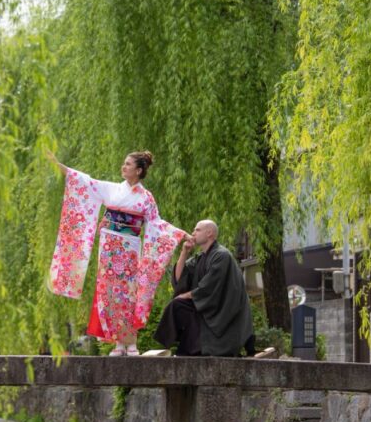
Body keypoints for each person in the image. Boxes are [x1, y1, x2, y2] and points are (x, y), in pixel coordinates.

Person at [45, 149, 185, 356]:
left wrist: (181, 234)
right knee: (110, 294)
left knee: (128, 293)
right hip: (109, 248)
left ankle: (132, 343)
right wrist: (58, 164)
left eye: (128, 164)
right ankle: (119, 343)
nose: (123, 167)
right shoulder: (112, 189)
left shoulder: (146, 198)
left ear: (138, 170)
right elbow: (85, 182)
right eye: (124, 163)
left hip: (129, 248)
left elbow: (156, 224)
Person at [153, 219, 255, 357]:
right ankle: (188, 346)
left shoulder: (221, 255)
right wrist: (184, 252)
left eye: (197, 230)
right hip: (207, 307)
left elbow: (209, 288)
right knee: (178, 306)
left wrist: (187, 295)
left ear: (210, 233)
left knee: (180, 302)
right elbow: (179, 279)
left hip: (222, 313)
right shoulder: (201, 257)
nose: (193, 233)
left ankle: (199, 347)